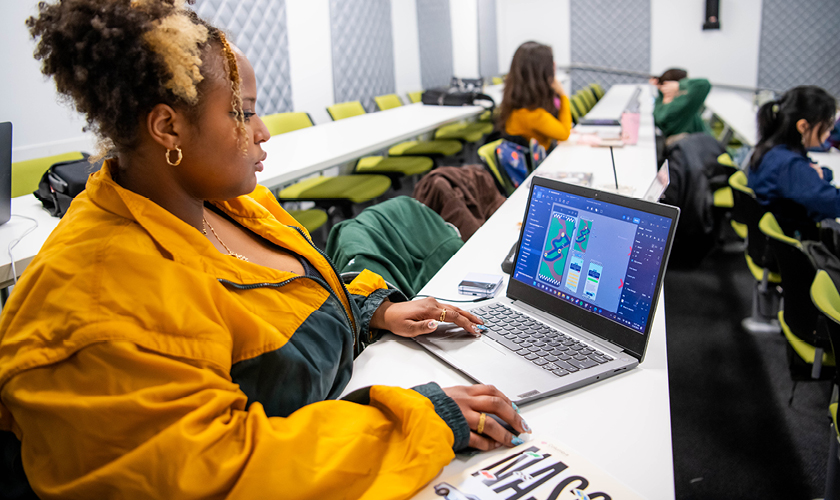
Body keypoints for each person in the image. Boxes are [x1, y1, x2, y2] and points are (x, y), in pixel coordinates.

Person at [0, 1, 530, 498]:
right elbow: (224, 472)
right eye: (243, 113)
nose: (264, 132)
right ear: (168, 127)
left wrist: (372, 310)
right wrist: (420, 419)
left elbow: (281, 298)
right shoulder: (96, 307)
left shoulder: (221, 202)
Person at [747, 85, 838, 230]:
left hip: (772, 242)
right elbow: (832, 203)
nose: (829, 133)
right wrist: (815, 175)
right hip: (794, 240)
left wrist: (820, 174)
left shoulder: (773, 150)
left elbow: (813, 179)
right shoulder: (790, 165)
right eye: (826, 127)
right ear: (803, 126)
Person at [498, 41, 573, 151]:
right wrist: (563, 95)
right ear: (543, 74)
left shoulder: (519, 111)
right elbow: (565, 134)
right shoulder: (536, 117)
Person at [650, 68, 711, 144]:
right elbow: (658, 119)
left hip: (695, 145)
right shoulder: (675, 101)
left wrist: (679, 85)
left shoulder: (682, 101)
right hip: (689, 144)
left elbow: (704, 83)